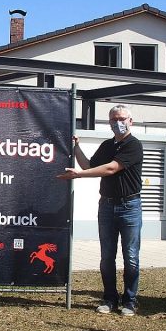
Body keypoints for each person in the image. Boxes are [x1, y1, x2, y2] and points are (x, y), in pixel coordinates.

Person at [57, 104, 144, 316]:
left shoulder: (134, 145)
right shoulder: (107, 145)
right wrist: (76, 147)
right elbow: (89, 165)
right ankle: (110, 298)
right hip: (106, 205)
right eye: (113, 119)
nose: (118, 123)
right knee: (107, 256)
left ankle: (130, 301)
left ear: (130, 121)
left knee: (130, 256)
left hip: (129, 206)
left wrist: (78, 175)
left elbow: (111, 168)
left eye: (122, 118)